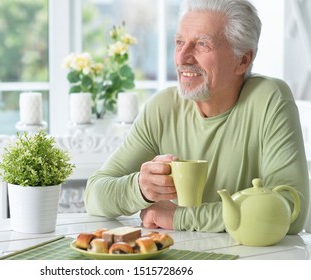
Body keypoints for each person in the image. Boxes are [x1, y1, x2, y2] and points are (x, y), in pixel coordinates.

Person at [84, 0, 309, 234]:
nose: (182, 57)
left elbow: (290, 210)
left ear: (242, 59)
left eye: (202, 44)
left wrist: (181, 217)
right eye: (179, 42)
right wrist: (140, 188)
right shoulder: (162, 107)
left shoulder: (269, 99)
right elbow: (94, 194)